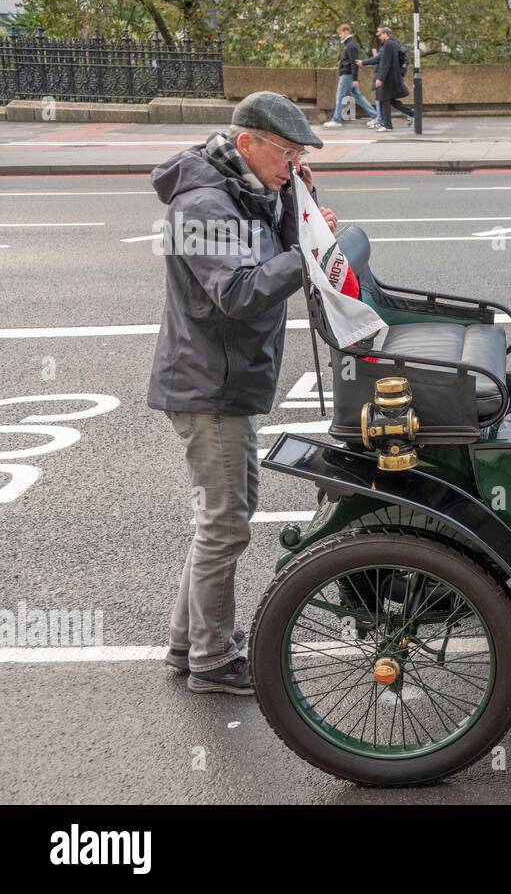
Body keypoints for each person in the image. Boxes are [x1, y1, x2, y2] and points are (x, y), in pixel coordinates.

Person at [148, 91, 338, 694]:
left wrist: (295, 200)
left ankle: (186, 645)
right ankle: (212, 660)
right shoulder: (204, 205)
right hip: (210, 387)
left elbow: (271, 247)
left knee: (221, 520)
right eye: (285, 153)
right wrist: (306, 257)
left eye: (298, 155)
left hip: (226, 381)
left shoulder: (245, 189)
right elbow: (236, 291)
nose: (292, 163)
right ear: (247, 143)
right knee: (225, 526)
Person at [322, 23, 378, 128]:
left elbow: (354, 62)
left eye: (340, 33)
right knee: (358, 96)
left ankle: (336, 120)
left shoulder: (351, 45)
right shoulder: (350, 45)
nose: (340, 36)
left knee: (340, 96)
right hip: (348, 75)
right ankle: (376, 116)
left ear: (346, 32)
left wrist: (355, 78)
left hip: (347, 75)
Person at [363, 25, 416, 130]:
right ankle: (411, 113)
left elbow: (385, 63)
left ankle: (387, 125)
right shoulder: (394, 43)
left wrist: (380, 79)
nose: (379, 37)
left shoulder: (388, 45)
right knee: (389, 100)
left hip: (388, 78)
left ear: (386, 34)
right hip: (393, 77)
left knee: (384, 100)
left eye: (381, 35)